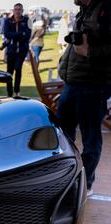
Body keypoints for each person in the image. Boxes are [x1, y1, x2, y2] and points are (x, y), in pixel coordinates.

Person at [57, 0, 111, 196]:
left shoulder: (106, 9)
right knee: (62, 133)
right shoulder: (85, 10)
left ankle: (85, 184)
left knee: (90, 138)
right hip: (73, 83)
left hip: (93, 86)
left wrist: (90, 51)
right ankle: (66, 177)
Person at [4, 3, 32, 96]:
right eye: (16, 9)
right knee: (9, 72)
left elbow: (27, 36)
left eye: (19, 9)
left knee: (18, 68)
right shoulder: (8, 21)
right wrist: (20, 34)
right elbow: (7, 34)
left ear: (22, 11)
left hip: (22, 49)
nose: (17, 11)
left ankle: (17, 92)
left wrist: (15, 35)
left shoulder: (27, 20)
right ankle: (9, 93)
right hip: (11, 49)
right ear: (13, 10)